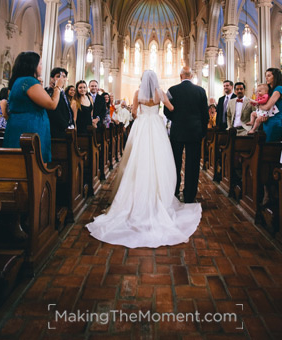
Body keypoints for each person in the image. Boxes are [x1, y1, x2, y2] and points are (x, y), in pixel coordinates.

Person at [86, 70, 201, 248]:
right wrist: (158, 111)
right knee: (160, 160)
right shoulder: (160, 93)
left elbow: (133, 113)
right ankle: (161, 196)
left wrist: (141, 115)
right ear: (155, 80)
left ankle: (135, 196)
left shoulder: (137, 93)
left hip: (142, 127)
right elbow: (171, 108)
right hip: (156, 126)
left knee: (138, 160)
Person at [3, 52, 64, 163]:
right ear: (32, 65)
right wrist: (58, 87)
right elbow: (52, 104)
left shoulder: (18, 81)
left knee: (17, 162)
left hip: (18, 125)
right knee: (33, 163)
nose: (41, 66)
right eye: (40, 63)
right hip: (30, 127)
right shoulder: (29, 81)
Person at [163, 67, 209, 203]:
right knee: (193, 164)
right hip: (195, 132)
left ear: (180, 76)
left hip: (178, 131)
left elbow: (167, 111)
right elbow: (205, 114)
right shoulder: (200, 91)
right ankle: (189, 195)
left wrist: (176, 119)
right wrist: (202, 132)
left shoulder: (172, 90)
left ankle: (175, 190)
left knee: (175, 163)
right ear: (192, 76)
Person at [260, 68, 282, 142]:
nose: (266, 78)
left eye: (269, 75)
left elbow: (267, 107)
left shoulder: (279, 89)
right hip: (267, 121)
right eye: (266, 76)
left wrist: (258, 106)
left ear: (275, 77)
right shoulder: (271, 90)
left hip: (275, 122)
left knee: (271, 147)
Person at [45, 67, 74, 138]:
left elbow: (67, 109)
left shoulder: (62, 92)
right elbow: (54, 112)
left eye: (64, 77)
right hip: (56, 130)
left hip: (66, 130)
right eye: (58, 76)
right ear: (52, 78)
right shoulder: (49, 92)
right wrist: (65, 126)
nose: (61, 79)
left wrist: (72, 123)